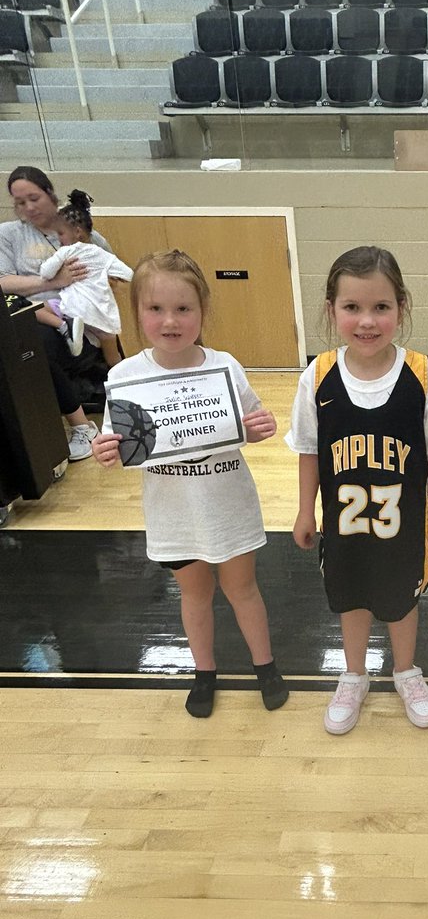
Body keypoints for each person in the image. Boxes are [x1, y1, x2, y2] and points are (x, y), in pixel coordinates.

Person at [91, 249, 289, 719]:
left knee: (243, 589)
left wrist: (260, 427)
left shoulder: (224, 366)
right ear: (137, 313)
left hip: (227, 502)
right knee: (195, 593)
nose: (170, 321)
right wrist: (106, 451)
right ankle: (204, 671)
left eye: (183, 309)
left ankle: (266, 666)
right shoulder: (125, 376)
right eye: (155, 309)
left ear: (202, 311)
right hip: (173, 510)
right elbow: (117, 446)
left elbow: (251, 420)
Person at [288, 246, 428, 735]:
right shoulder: (319, 375)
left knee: (401, 600)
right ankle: (353, 675)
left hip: (405, 526)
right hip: (343, 526)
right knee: (350, 598)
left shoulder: (422, 375)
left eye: (380, 308)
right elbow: (308, 449)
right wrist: (305, 510)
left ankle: (406, 671)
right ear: (332, 310)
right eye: (352, 308)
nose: (366, 321)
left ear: (401, 308)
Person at [0, 166, 107, 461]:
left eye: (34, 198)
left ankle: (83, 427)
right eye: (20, 202)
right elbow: (3, 281)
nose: (28, 208)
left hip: (77, 325)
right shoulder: (8, 234)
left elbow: (105, 283)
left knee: (33, 347)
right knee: (18, 337)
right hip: (24, 317)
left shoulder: (85, 235)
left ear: (50, 194)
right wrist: (53, 282)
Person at [40, 189, 131, 369]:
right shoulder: (98, 253)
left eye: (61, 234)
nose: (59, 239)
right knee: (114, 359)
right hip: (100, 313)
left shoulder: (69, 250)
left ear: (77, 232)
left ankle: (63, 326)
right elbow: (128, 274)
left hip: (74, 308)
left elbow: (45, 272)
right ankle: (124, 380)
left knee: (34, 309)